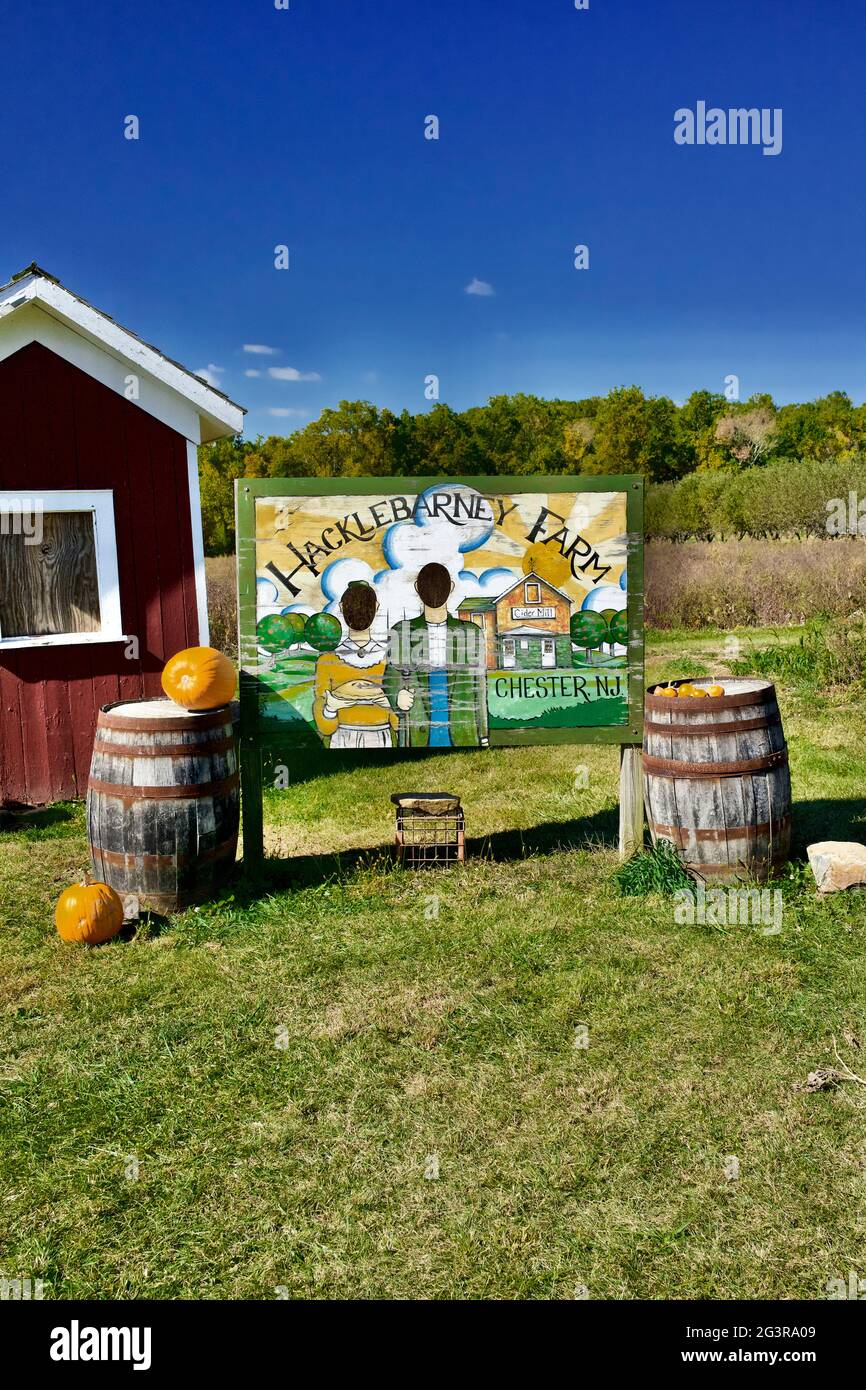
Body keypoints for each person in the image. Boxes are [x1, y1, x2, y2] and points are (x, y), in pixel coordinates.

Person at [384, 561, 489, 748]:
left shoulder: (471, 633)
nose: (434, 591)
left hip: (462, 729)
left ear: (451, 588)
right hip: (416, 729)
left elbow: (479, 688)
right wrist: (397, 696)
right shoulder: (402, 631)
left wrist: (483, 735)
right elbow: (391, 677)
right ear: (417, 588)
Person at [313, 581, 398, 749]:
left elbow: (398, 723)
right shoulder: (328, 660)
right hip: (341, 738)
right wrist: (330, 707)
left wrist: (388, 702)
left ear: (341, 607)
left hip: (381, 737)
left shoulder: (388, 658)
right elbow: (324, 725)